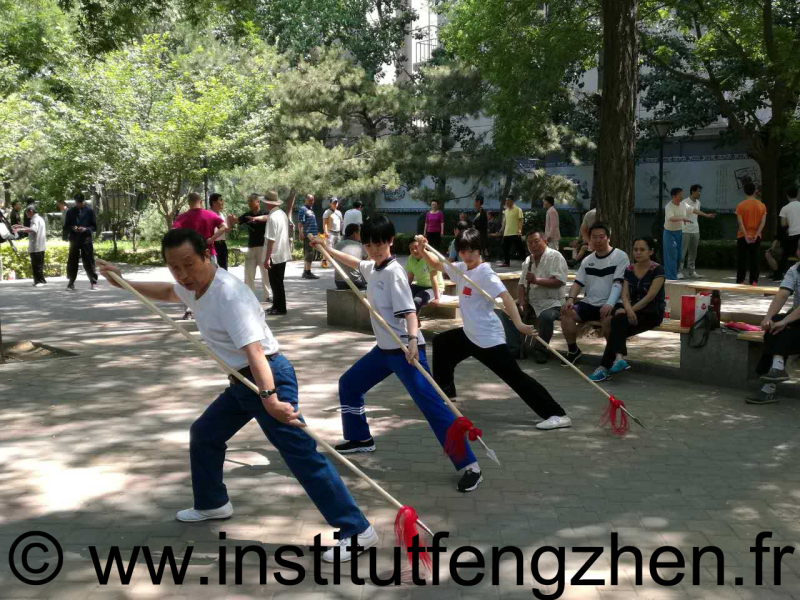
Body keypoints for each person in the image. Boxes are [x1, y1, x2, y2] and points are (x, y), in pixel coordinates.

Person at [95, 230, 377, 562]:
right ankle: (213, 503)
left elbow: (254, 351)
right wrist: (124, 282)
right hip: (243, 382)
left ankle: (357, 530)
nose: (182, 274)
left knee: (301, 454)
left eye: (188, 264)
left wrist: (271, 400)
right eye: (174, 267)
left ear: (206, 255)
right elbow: (169, 292)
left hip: (266, 377)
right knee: (205, 434)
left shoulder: (228, 294)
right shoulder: (194, 287)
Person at [310, 216, 483, 493]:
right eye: (369, 245)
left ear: (390, 241)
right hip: (383, 351)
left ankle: (469, 465)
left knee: (433, 407)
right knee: (349, 384)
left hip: (405, 351)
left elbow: (410, 313)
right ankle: (360, 438)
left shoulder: (394, 273)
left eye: (379, 244)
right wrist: (325, 248)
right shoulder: (374, 267)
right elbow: (354, 262)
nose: (374, 250)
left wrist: (413, 341)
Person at [415, 229, 572, 431]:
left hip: (487, 339)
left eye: (472, 251)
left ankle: (557, 414)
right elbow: (437, 264)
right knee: (442, 343)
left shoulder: (485, 274)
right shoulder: (461, 268)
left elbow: (506, 298)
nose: (467, 255)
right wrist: (422, 249)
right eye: (462, 251)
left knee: (515, 377)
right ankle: (445, 392)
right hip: (469, 334)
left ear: (480, 250)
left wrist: (518, 324)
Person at [589, 237, 665, 382]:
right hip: (633, 311)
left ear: (651, 252)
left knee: (617, 326)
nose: (638, 252)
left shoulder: (657, 270)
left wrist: (630, 310)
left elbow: (650, 296)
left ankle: (605, 367)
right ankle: (616, 360)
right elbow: (624, 295)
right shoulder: (629, 269)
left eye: (642, 249)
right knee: (618, 323)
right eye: (635, 249)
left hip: (652, 312)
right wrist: (629, 310)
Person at [560, 222, 630, 364]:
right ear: (589, 239)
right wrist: (570, 299)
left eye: (601, 237)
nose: (597, 240)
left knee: (609, 320)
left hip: (612, 303)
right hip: (589, 303)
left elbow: (618, 283)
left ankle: (611, 357)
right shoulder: (587, 260)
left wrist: (609, 303)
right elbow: (578, 283)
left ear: (608, 238)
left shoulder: (620, 256)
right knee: (566, 313)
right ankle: (573, 351)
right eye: (594, 237)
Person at [749, 244, 800, 404]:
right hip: (797, 317)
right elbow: (782, 294)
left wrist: (785, 321)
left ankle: (769, 386)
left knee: (782, 327)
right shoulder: (794, 270)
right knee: (774, 325)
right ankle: (777, 368)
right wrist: (768, 318)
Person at [515, 230, 568, 364]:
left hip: (553, 302)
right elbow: (521, 285)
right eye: (529, 243)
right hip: (531, 301)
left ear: (545, 241)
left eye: (536, 241)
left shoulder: (556, 257)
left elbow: (559, 281)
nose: (533, 245)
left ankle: (540, 350)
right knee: (508, 311)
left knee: (546, 317)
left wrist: (536, 280)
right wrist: (522, 303)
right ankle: (514, 346)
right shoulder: (528, 260)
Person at [238, 193, 272, 301]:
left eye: (252, 203)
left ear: (258, 202)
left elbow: (268, 218)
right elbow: (237, 221)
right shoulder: (247, 214)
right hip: (251, 247)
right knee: (249, 273)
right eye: (249, 203)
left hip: (263, 247)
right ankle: (249, 296)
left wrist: (255, 218)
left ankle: (268, 296)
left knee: (265, 273)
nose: (250, 206)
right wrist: (231, 219)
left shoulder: (265, 212)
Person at [262, 191, 291, 316]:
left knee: (276, 282)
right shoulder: (281, 213)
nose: (264, 204)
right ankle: (276, 305)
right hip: (282, 252)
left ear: (269, 203)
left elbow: (271, 240)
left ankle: (281, 307)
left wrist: (267, 258)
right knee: (277, 282)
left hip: (274, 254)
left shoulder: (272, 217)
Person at [63, 192, 99, 291]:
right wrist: (72, 228)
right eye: (77, 202)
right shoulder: (70, 212)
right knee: (72, 261)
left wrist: (85, 229)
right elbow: (65, 227)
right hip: (74, 239)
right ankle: (71, 283)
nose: (78, 204)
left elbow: (94, 227)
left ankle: (93, 282)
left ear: (84, 201)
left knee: (89, 261)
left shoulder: (89, 211)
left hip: (86, 239)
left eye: (80, 202)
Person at [679, 184, 715, 279]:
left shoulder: (698, 202)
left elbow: (696, 215)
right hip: (685, 230)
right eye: (698, 191)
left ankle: (691, 272)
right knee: (682, 252)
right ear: (693, 191)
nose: (699, 193)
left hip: (695, 230)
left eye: (700, 191)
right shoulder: (684, 202)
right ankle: (679, 271)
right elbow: (693, 211)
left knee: (693, 252)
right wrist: (706, 215)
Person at [735, 182, 767, 285]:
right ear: (755, 191)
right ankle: (754, 281)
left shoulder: (740, 205)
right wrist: (757, 234)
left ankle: (740, 280)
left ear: (744, 191)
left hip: (742, 236)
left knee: (742, 259)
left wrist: (745, 235)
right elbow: (763, 222)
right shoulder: (762, 205)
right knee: (755, 259)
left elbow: (740, 222)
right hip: (756, 236)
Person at [12, 205, 47, 287]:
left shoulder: (35, 219)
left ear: (31, 211)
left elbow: (33, 230)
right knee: (38, 265)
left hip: (36, 246)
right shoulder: (39, 218)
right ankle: (39, 281)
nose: (26, 215)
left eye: (26, 213)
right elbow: (33, 228)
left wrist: (20, 229)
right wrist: (21, 226)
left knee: (37, 265)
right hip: (39, 245)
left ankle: (40, 281)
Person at [406, 239, 443, 314]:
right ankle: (403, 319)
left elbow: (433, 278)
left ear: (423, 247)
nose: (414, 251)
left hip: (433, 288)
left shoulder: (431, 257)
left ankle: (412, 320)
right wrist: (404, 291)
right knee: (402, 297)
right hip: (419, 286)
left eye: (416, 247)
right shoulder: (410, 258)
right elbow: (410, 278)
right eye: (411, 249)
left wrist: (437, 298)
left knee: (417, 300)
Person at [663, 187, 690, 280]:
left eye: (682, 194)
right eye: (680, 194)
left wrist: (705, 215)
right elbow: (671, 218)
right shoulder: (668, 206)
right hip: (669, 233)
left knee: (678, 256)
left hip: (679, 232)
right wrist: (682, 218)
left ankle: (674, 274)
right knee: (671, 255)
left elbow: (693, 210)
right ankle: (670, 278)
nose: (682, 196)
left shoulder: (683, 204)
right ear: (674, 196)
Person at [334, 224, 367, 290]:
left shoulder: (337, 245)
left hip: (339, 282)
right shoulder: (360, 246)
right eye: (359, 233)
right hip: (356, 282)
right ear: (354, 234)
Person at [778, 187, 800, 277]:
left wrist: (789, 220)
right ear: (797, 194)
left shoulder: (785, 208)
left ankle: (779, 274)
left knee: (785, 254)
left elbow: (783, 224)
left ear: (787, 196)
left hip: (792, 234)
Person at [297, 194, 320, 280]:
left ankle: (305, 271)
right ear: (305, 200)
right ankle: (308, 272)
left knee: (308, 253)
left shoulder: (311, 209)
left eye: (312, 200)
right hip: (308, 235)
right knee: (309, 253)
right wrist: (300, 233)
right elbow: (300, 222)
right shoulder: (303, 209)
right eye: (310, 200)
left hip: (313, 235)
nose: (311, 202)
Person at [498, 195, 524, 268]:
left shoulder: (518, 209)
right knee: (505, 248)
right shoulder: (506, 211)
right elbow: (504, 222)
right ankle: (506, 262)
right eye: (506, 200)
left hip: (515, 232)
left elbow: (521, 220)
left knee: (520, 248)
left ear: (512, 201)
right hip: (507, 233)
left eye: (508, 200)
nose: (506, 202)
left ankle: (526, 261)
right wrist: (501, 229)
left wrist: (519, 230)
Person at [209, 193, 228, 271]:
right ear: (214, 202)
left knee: (224, 269)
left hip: (222, 244)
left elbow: (227, 230)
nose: (222, 202)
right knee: (214, 270)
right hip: (213, 245)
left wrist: (231, 222)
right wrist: (212, 239)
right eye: (220, 200)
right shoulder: (208, 214)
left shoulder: (222, 215)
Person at [472, 194, 488, 259]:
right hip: (478, 234)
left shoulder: (482, 212)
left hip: (480, 235)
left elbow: (479, 224)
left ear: (478, 202)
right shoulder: (478, 211)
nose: (473, 203)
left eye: (474, 201)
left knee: (480, 254)